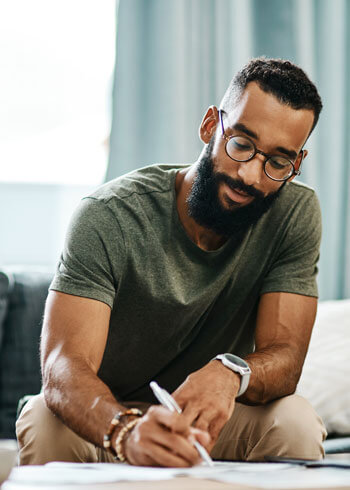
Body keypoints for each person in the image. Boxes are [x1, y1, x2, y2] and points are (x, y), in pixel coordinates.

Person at [17, 57, 327, 467]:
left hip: (207, 422)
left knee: (295, 420)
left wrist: (230, 372)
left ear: (297, 164)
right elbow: (63, 367)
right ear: (210, 126)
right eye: (241, 144)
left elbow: (285, 358)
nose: (251, 176)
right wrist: (124, 431)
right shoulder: (108, 215)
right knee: (43, 417)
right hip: (107, 417)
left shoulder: (294, 213)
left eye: (277, 162)